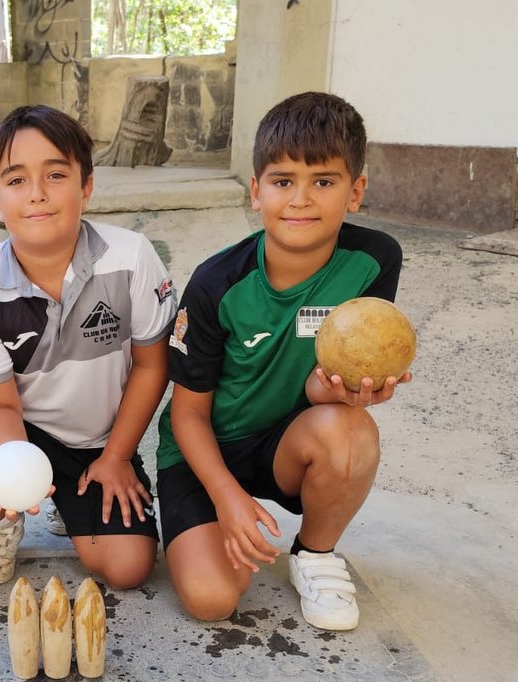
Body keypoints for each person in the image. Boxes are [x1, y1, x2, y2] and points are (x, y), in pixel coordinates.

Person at [156, 91, 408, 631]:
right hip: (204, 450)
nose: (300, 199)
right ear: (256, 190)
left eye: (323, 181)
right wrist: (226, 497)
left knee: (351, 430)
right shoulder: (215, 283)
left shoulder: (374, 261)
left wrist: (347, 393)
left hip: (284, 442)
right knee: (211, 599)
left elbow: (324, 387)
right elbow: (187, 414)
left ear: (356, 191)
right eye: (282, 180)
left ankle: (314, 555)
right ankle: (213, 510)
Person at [0, 105, 178, 589]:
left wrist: (118, 457)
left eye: (56, 174)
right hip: (18, 425)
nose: (38, 193)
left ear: (86, 186)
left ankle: (71, 500)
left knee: (126, 569)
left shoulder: (132, 259)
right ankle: (3, 519)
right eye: (16, 179)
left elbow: (152, 367)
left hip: (97, 442)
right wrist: (12, 471)